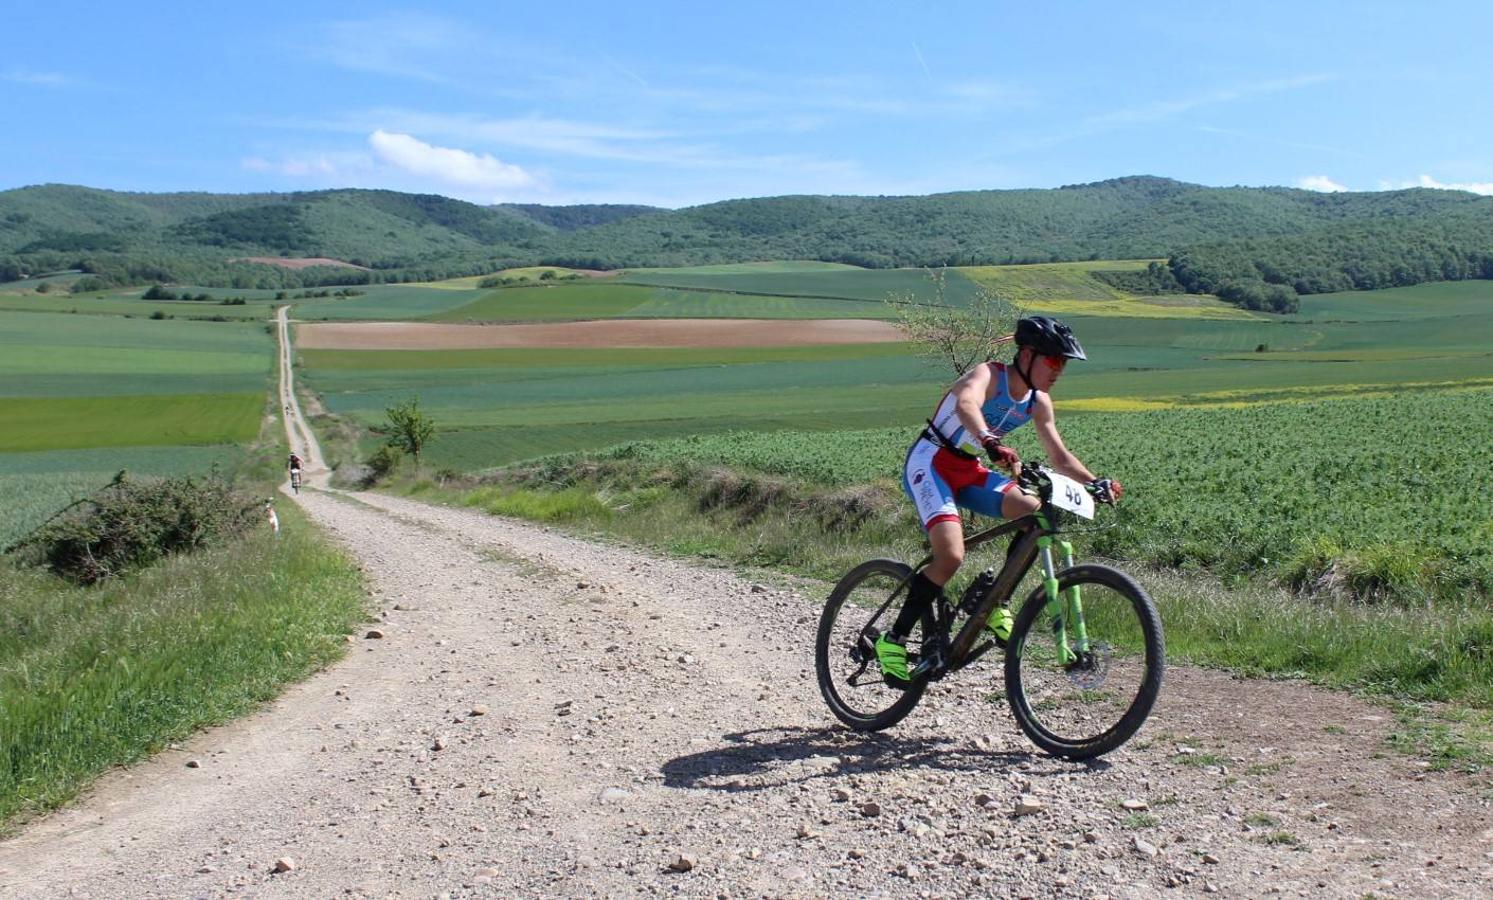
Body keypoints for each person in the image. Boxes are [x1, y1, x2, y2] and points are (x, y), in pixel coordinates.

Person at [876, 315, 1123, 684]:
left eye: (1064, 364)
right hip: (932, 462)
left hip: (970, 469)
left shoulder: (1039, 402)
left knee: (1034, 513)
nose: (1058, 371)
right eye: (1053, 360)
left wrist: (1095, 482)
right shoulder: (989, 375)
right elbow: (966, 405)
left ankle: (994, 601)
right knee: (951, 556)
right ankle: (893, 640)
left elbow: (1060, 457)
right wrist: (990, 440)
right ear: (1026, 354)